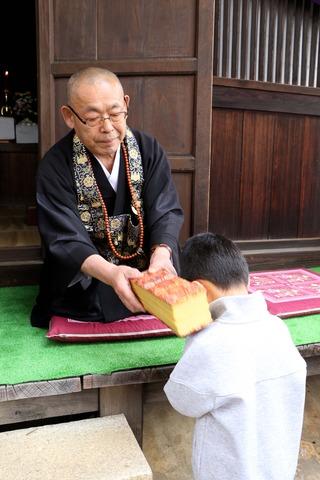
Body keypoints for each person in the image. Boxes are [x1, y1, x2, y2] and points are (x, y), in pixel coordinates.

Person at [31, 67, 183, 327]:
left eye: (115, 114)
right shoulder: (55, 166)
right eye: (92, 118)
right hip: (93, 275)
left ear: (126, 105)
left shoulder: (148, 149)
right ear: (69, 117)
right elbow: (65, 238)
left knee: (170, 260)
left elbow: (165, 209)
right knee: (83, 295)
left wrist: (161, 257)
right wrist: (111, 274)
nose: (107, 127)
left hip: (146, 264)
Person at [164, 232, 306, 480]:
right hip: (279, 469)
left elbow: (181, 399)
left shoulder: (209, 343)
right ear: (247, 278)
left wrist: (193, 336)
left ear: (198, 289)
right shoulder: (277, 328)